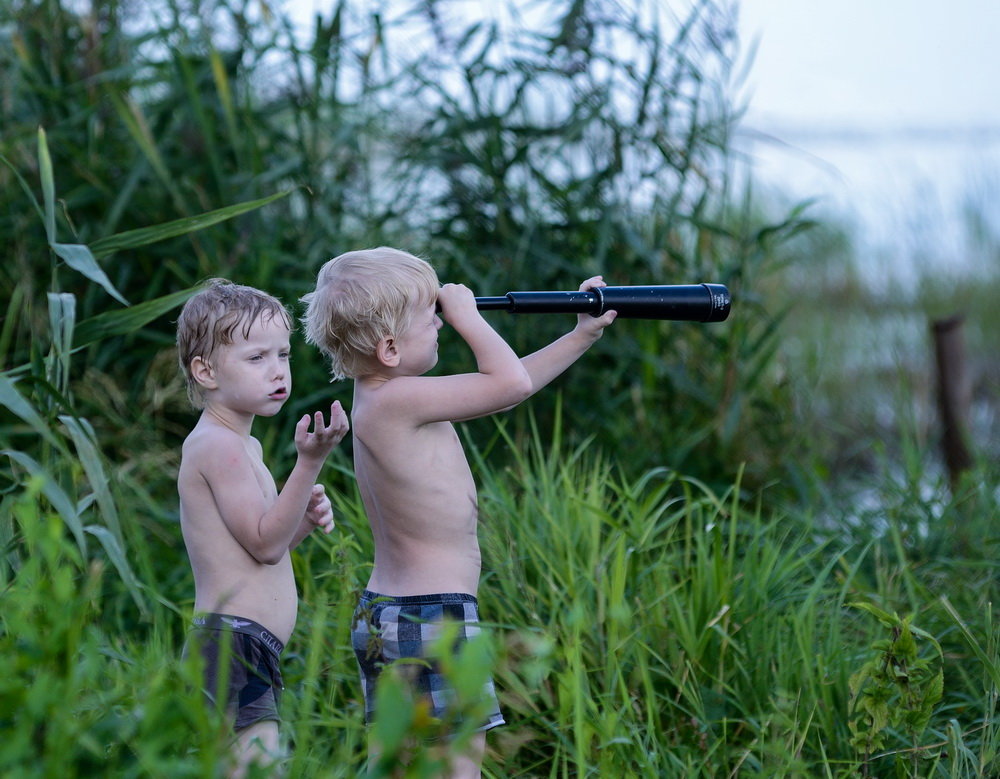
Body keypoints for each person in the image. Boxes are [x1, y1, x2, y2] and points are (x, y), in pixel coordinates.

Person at [301, 247, 615, 777]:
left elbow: (508, 388)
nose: (443, 321)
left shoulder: (388, 397)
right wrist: (470, 318)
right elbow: (507, 383)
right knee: (455, 767)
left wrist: (580, 334)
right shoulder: (396, 402)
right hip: (429, 616)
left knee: (402, 765)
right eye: (433, 317)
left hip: (401, 613)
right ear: (390, 347)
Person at [175, 278, 350, 777]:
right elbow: (266, 544)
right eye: (256, 359)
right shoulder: (219, 446)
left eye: (283, 355)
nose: (277, 371)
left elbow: (258, 546)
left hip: (246, 644)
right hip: (230, 644)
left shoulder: (242, 445)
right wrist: (309, 463)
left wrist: (302, 524)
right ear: (205, 371)